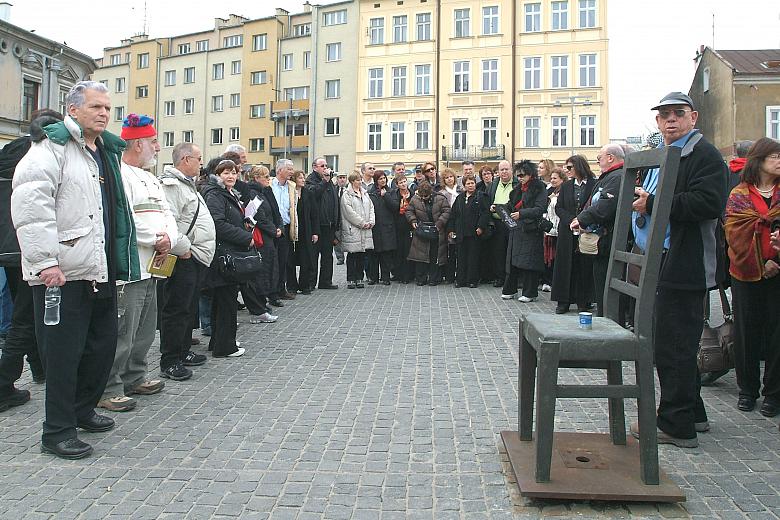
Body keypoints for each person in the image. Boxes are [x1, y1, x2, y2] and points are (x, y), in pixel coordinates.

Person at [12, 81, 140, 459]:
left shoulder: (102, 151)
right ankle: (57, 430)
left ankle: (83, 411)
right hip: (62, 272)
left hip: (97, 268)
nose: (104, 113)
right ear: (73, 109)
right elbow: (32, 210)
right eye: (96, 107)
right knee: (63, 355)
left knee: (100, 348)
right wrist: (45, 262)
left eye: (107, 108)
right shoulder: (49, 149)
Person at [628, 91, 729, 448]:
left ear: (693, 117)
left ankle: (676, 424)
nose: (670, 120)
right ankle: (693, 412)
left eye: (677, 114)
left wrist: (653, 202)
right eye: (664, 115)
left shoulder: (703, 154)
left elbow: (708, 203)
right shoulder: (669, 155)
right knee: (674, 342)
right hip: (666, 258)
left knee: (673, 345)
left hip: (686, 264)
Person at [98, 114, 177, 413]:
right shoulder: (119, 174)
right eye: (154, 141)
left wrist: (168, 237)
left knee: (145, 327)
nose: (158, 148)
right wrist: (156, 239)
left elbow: (166, 214)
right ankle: (109, 387)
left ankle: (135, 375)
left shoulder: (150, 177)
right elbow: (124, 217)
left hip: (154, 264)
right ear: (139, 143)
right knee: (124, 329)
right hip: (131, 266)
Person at [0, 110, 59, 412]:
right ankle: (3, 383)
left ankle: (39, 368)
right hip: (29, 245)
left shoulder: (9, 150)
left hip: (8, 247)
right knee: (26, 317)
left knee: (28, 312)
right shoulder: (39, 154)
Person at [723, 137, 780, 417]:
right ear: (760, 160)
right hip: (745, 273)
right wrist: (760, 262)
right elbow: (735, 233)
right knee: (747, 332)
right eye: (775, 157)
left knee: (777, 333)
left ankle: (773, 393)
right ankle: (747, 390)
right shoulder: (739, 194)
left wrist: (774, 259)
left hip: (778, 271)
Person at [158, 143, 216, 381]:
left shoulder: (187, 185)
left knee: (188, 307)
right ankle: (170, 359)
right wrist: (183, 248)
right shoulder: (170, 185)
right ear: (185, 159)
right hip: (183, 256)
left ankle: (183, 350)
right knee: (176, 309)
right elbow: (168, 219)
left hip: (195, 255)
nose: (201, 163)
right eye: (198, 158)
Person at [201, 160, 250, 358]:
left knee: (223, 301)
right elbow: (217, 224)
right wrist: (246, 237)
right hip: (222, 255)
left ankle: (219, 341)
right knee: (226, 302)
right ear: (217, 174)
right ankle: (225, 346)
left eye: (234, 173)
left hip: (228, 252)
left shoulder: (228, 193)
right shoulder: (215, 194)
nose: (231, 176)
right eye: (226, 173)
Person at [571, 144, 625, 316]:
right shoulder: (609, 176)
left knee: (607, 288)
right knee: (601, 285)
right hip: (602, 242)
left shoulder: (616, 177)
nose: (598, 162)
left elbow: (605, 206)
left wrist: (582, 219)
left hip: (609, 241)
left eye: (599, 158)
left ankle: (610, 323)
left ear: (610, 157)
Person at [551, 155, 596, 314]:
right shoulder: (566, 186)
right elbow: (559, 208)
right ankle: (563, 301)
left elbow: (595, 206)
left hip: (586, 230)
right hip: (568, 231)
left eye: (569, 167)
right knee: (565, 265)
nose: (567, 170)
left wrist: (582, 220)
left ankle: (583, 300)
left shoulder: (593, 184)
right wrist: (572, 220)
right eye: (566, 167)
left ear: (579, 167)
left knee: (584, 265)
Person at [501, 161, 547, 302]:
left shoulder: (539, 188)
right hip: (517, 229)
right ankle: (510, 289)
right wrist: (498, 207)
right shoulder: (517, 189)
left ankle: (530, 292)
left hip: (531, 229)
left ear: (530, 174)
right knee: (512, 260)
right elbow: (510, 205)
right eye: (518, 175)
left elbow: (540, 208)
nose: (520, 178)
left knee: (529, 261)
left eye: (523, 175)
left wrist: (522, 213)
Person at [243, 166, 280, 324]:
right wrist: (273, 230)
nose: (268, 179)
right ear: (256, 178)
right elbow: (258, 216)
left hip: (268, 237)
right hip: (261, 238)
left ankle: (262, 303)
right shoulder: (253, 193)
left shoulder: (263, 192)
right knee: (261, 271)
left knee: (268, 269)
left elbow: (273, 212)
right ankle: (259, 306)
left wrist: (278, 228)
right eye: (265, 176)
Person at [406, 181, 450, 286]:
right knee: (421, 255)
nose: (424, 198)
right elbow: (409, 211)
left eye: (426, 196)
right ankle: (421, 278)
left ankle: (434, 279)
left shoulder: (440, 198)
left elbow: (447, 211)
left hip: (437, 229)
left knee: (435, 255)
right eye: (422, 196)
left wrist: (440, 223)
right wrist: (413, 220)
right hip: (421, 230)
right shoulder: (415, 199)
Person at [448, 176, 490, 288]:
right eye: (468, 183)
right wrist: (451, 230)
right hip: (461, 232)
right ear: (464, 185)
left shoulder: (481, 196)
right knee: (461, 257)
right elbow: (453, 215)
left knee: (473, 257)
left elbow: (486, 213)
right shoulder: (460, 198)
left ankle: (472, 280)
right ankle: (460, 280)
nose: (470, 185)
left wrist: (481, 227)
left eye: (472, 183)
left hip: (474, 233)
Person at [306, 157, 339, 290]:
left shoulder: (329, 181)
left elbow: (334, 201)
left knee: (327, 255)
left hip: (329, 225)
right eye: (322, 166)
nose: (325, 168)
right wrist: (325, 181)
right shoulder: (310, 180)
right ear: (315, 167)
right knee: (313, 255)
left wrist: (336, 222)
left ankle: (325, 281)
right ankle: (310, 282)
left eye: (326, 165)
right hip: (317, 225)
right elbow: (313, 194)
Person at [340, 171, 375, 289]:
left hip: (365, 229)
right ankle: (351, 278)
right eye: (357, 180)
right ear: (352, 181)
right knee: (352, 254)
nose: (359, 182)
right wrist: (361, 223)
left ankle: (359, 277)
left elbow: (371, 208)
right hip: (353, 228)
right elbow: (348, 212)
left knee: (361, 254)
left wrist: (371, 221)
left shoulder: (365, 193)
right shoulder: (347, 194)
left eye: (360, 180)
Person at [288, 170, 319, 295]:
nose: (303, 180)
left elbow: (314, 214)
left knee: (306, 258)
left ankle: (304, 285)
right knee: (290, 259)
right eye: (300, 178)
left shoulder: (308, 193)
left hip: (306, 229)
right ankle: (291, 286)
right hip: (292, 229)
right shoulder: (290, 193)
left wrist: (315, 232)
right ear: (295, 179)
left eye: (303, 177)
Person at [270, 159, 297, 301]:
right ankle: (272, 291)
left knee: (283, 260)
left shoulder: (291, 186)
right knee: (272, 261)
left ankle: (281, 288)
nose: (292, 172)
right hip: (271, 227)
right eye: (289, 169)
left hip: (285, 227)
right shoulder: (269, 184)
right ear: (279, 170)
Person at [488, 160, 517, 287]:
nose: (504, 172)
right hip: (497, 223)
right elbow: (487, 200)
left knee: (512, 251)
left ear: (512, 170)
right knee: (498, 251)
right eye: (501, 170)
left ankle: (513, 278)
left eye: (506, 169)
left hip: (512, 222)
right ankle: (500, 277)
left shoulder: (517, 184)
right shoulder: (493, 184)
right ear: (498, 172)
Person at [367, 171, 397, 285]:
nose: (383, 180)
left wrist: (386, 197)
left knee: (386, 254)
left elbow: (395, 207)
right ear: (376, 180)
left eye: (384, 178)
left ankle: (385, 277)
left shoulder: (391, 192)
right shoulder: (371, 193)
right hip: (375, 226)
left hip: (387, 227)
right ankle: (373, 277)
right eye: (380, 179)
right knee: (374, 254)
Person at [541, 168, 565, 293]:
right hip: (550, 228)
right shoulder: (549, 190)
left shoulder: (565, 191)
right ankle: (547, 280)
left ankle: (555, 282)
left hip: (560, 228)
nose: (552, 180)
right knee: (548, 256)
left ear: (562, 179)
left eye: (555, 178)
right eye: (551, 178)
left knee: (557, 256)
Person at [387, 173, 414, 284]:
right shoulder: (395, 194)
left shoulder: (412, 194)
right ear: (397, 185)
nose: (403, 184)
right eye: (401, 182)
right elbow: (393, 208)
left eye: (404, 181)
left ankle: (407, 275)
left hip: (409, 226)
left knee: (408, 250)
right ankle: (398, 274)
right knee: (398, 251)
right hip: (398, 225)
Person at [439, 168, 462, 284]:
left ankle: (460, 274)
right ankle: (449, 275)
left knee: (459, 250)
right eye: (446, 177)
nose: (449, 179)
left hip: (460, 223)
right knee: (450, 250)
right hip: (447, 224)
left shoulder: (461, 190)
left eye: (451, 177)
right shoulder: (442, 193)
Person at [333, 172, 349, 265]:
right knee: (336, 239)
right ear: (337, 179)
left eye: (344, 177)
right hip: (337, 217)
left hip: (347, 217)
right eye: (340, 178)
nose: (342, 179)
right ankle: (340, 257)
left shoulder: (349, 189)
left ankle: (350, 255)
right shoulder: (334, 189)